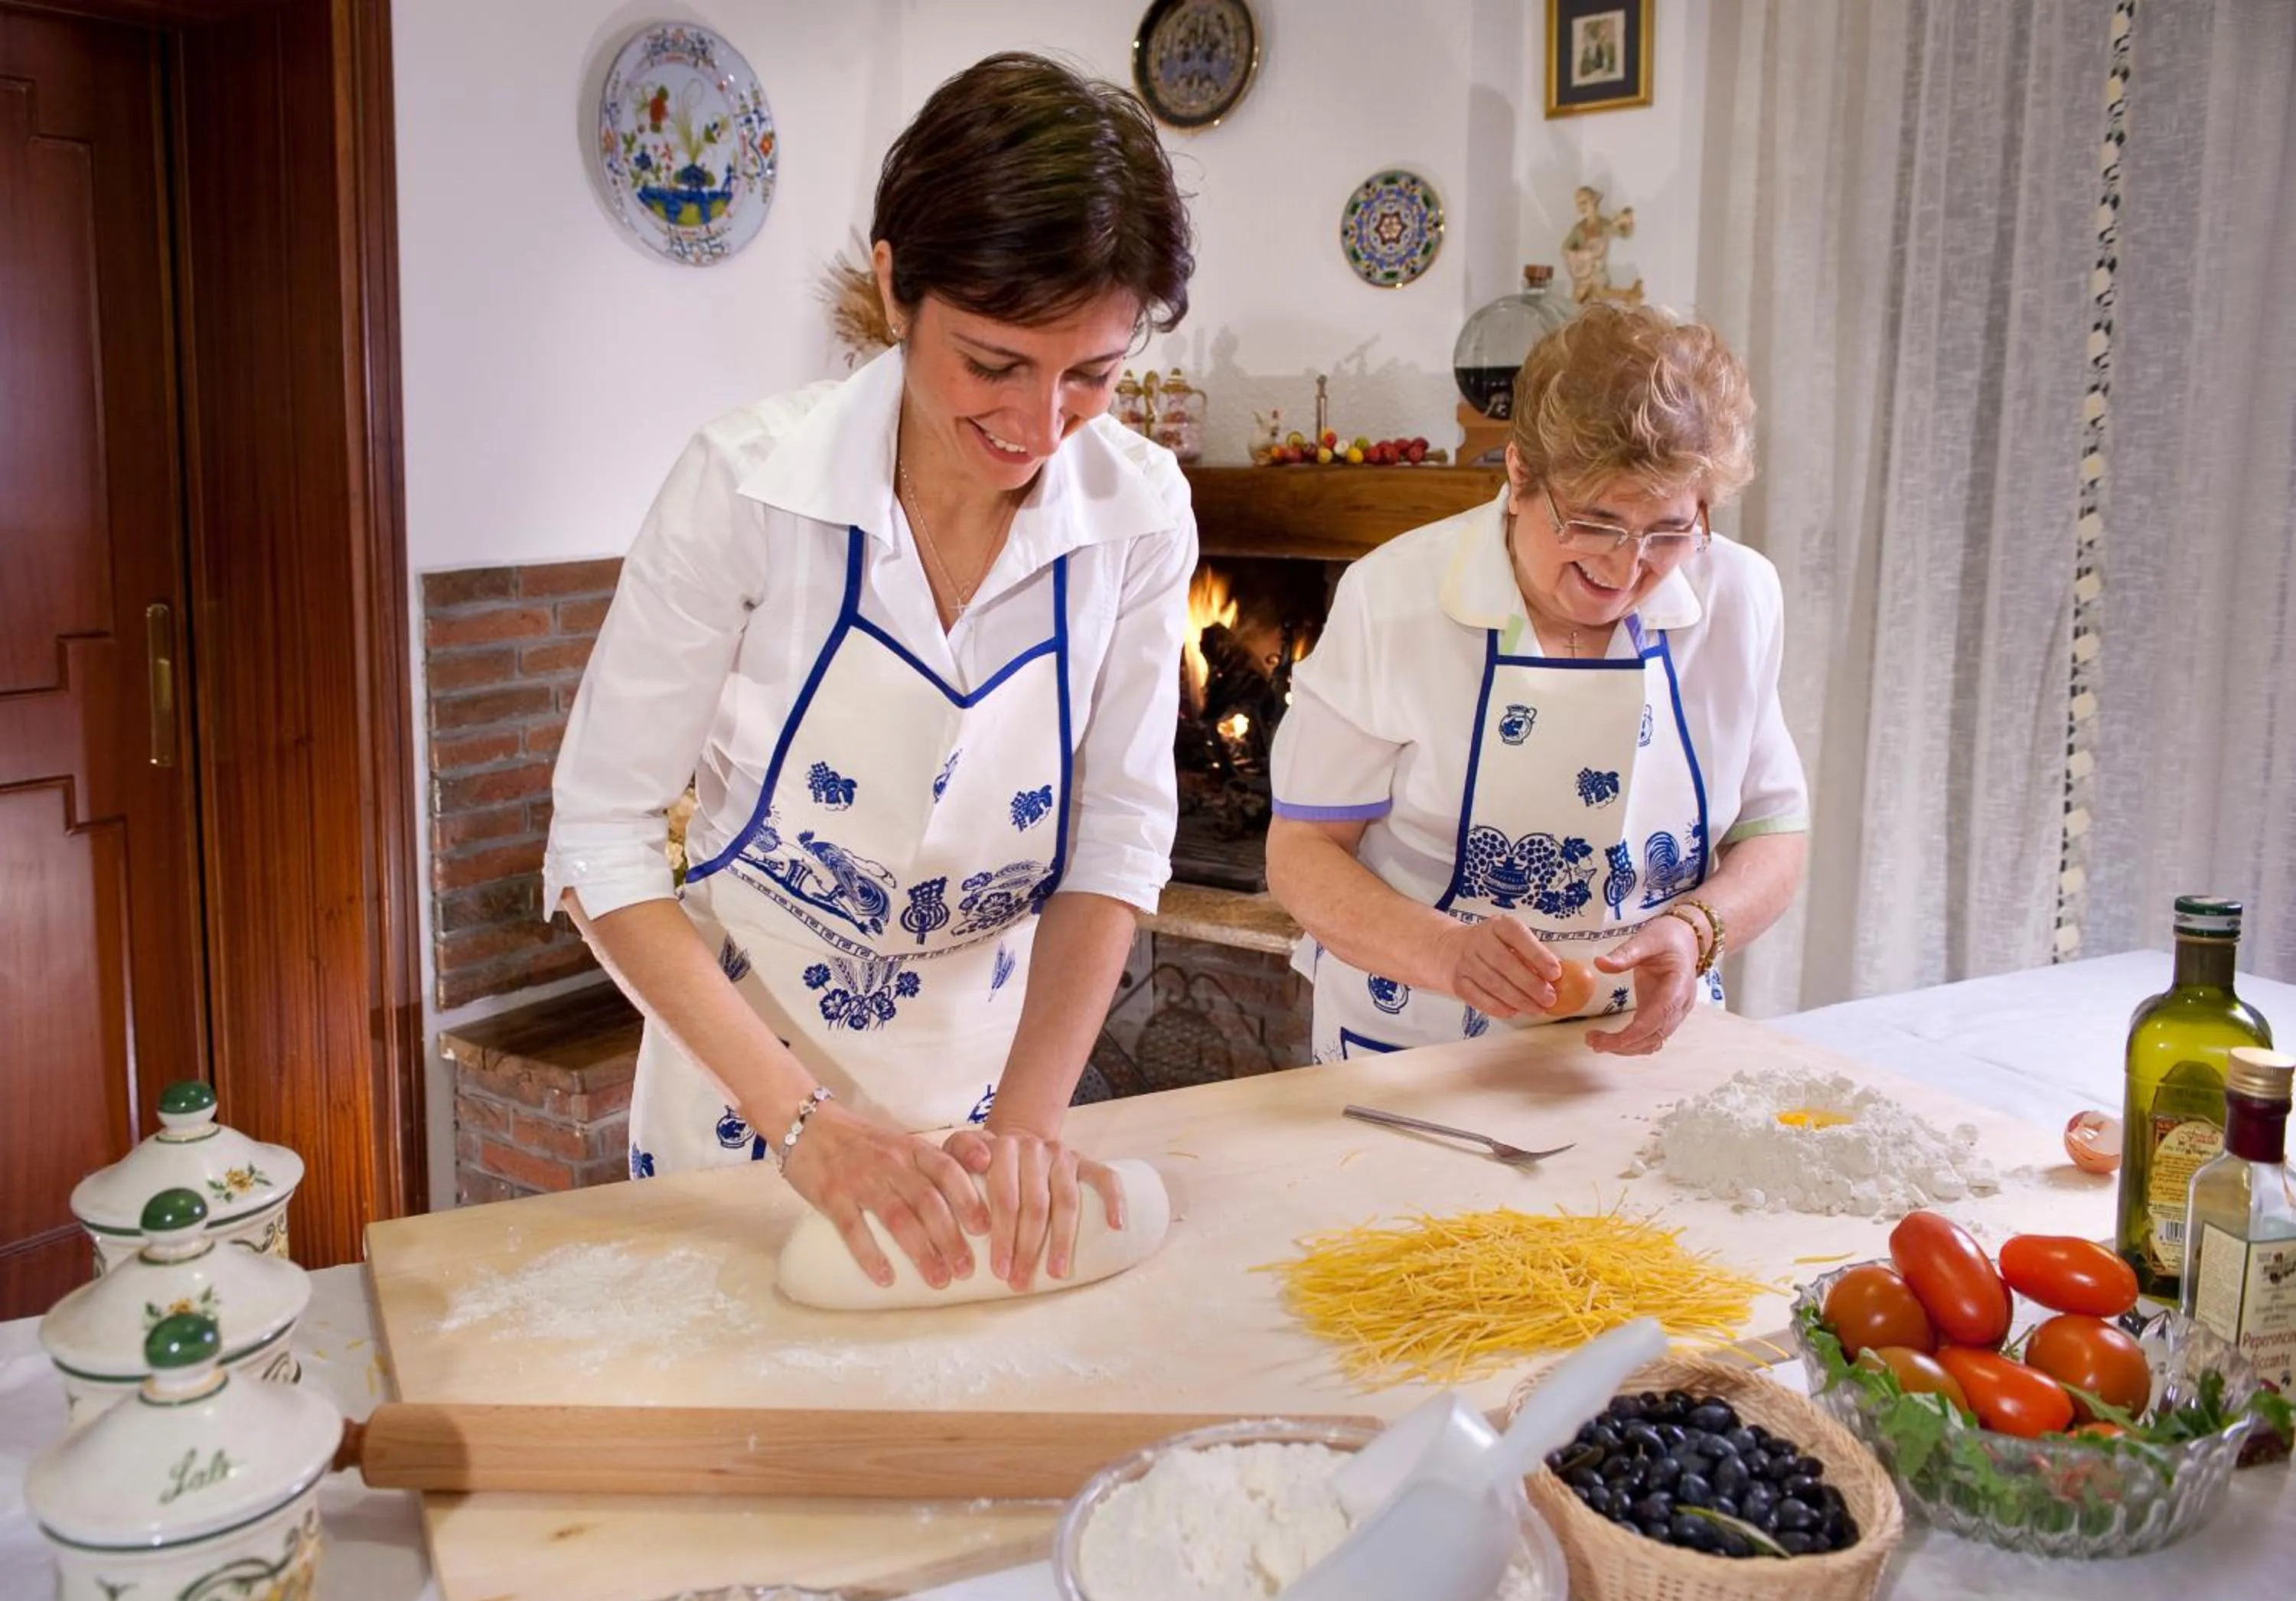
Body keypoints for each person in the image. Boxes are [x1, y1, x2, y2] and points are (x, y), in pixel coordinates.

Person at [543, 54, 1197, 1297]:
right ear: (897, 283)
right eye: (994, 362)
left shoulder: (1140, 514)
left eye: (1094, 375)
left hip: (990, 1091)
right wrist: (804, 1125)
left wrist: (1030, 1125)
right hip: (746, 1103)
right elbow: (601, 839)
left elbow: (1116, 834)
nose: (1041, 423)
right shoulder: (748, 491)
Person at [1265, 305, 1806, 1061]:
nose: (1625, 569)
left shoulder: (1740, 598)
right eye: (1595, 521)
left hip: (1649, 1039)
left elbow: (1772, 832)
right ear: (1520, 474)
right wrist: (1448, 955)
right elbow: (1303, 849)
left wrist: (1696, 930)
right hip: (1418, 1044)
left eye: (1668, 531)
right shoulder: (1393, 597)